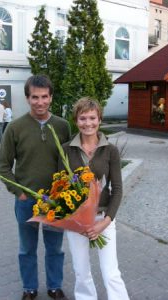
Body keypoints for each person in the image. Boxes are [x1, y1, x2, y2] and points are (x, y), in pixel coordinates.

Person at [0, 75, 71, 300]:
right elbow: (3, 166)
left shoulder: (62, 126)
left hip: (54, 202)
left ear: (51, 97)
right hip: (26, 201)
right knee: (27, 249)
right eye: (35, 97)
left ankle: (54, 286)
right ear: (28, 98)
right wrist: (18, 192)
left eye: (45, 97)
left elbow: (70, 163)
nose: (40, 102)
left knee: (55, 248)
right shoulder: (15, 128)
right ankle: (29, 288)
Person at [61, 97, 130, 300]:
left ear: (99, 119)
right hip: (75, 221)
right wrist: (74, 218)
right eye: (83, 118)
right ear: (76, 120)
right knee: (81, 271)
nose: (88, 123)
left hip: (103, 219)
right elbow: (62, 186)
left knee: (110, 272)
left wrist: (105, 222)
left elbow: (117, 189)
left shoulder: (110, 150)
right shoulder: (66, 149)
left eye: (92, 118)